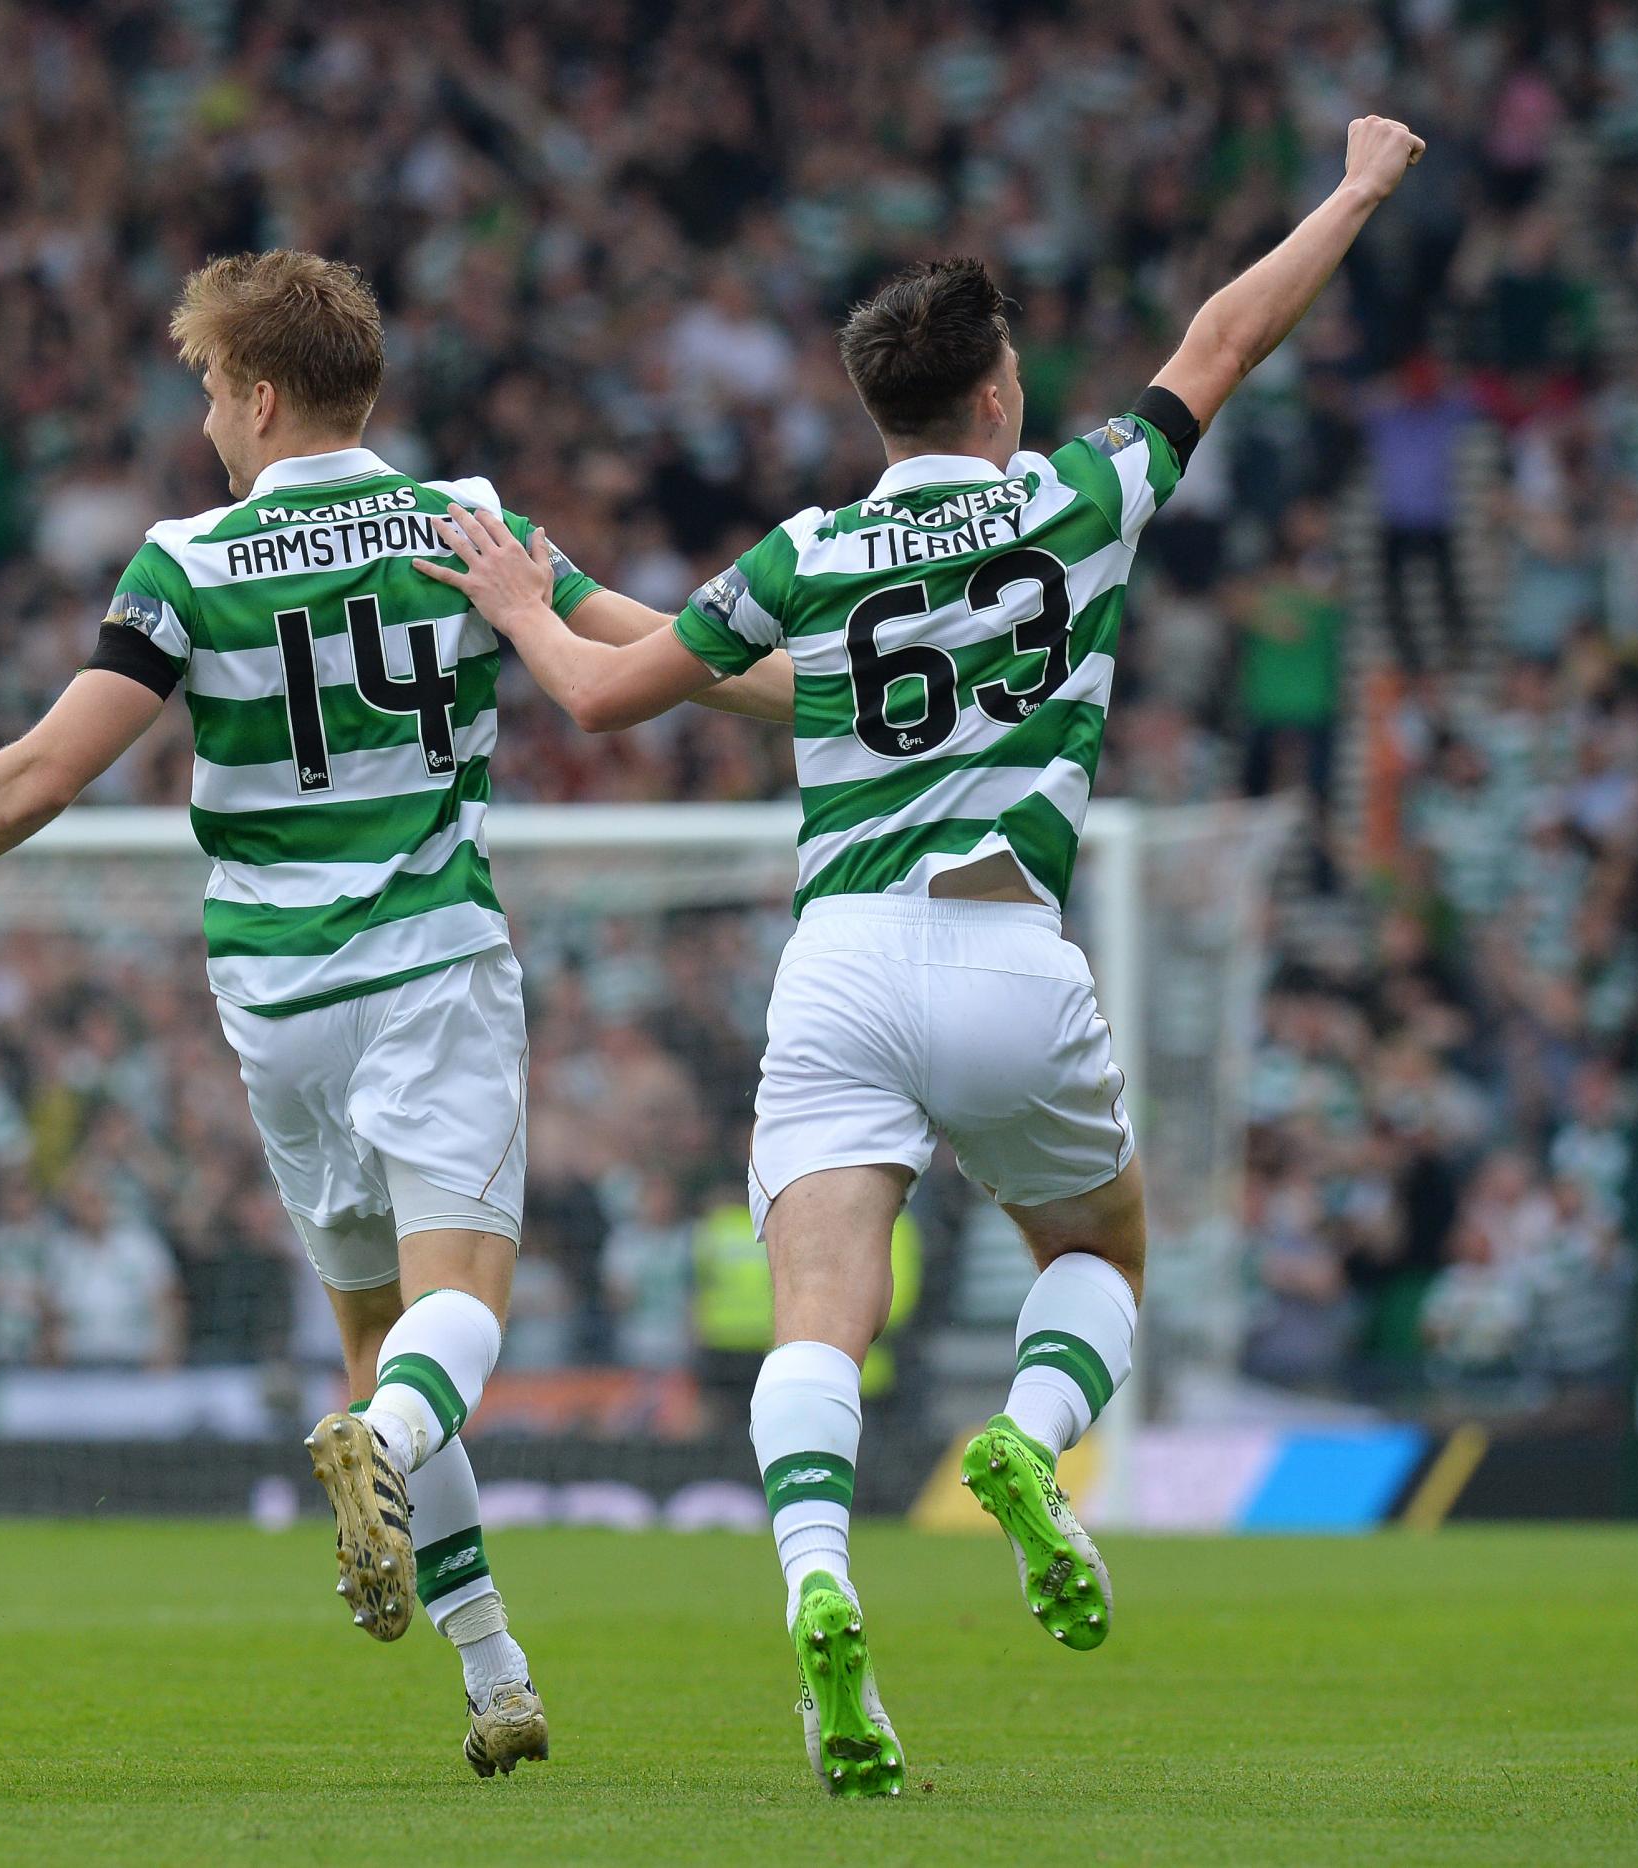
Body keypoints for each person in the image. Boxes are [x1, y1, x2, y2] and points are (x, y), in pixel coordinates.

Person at [419, 117, 1427, 1797]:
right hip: (1012, 947)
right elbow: (1225, 339)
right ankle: (1030, 1445)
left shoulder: (809, 554)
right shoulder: (1077, 494)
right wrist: (1360, 188)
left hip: (843, 968)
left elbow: (620, 686)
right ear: (993, 396)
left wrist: (532, 597)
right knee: (1099, 1250)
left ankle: (820, 1586)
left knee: (821, 1319)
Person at [0, 249, 792, 1777]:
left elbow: (43, 773)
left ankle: (496, 1677)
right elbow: (666, 649)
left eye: (212, 386)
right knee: (459, 1311)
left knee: (373, 1337)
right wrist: (848, 699)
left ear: (262, 392)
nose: (206, 415)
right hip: (427, 969)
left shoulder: (183, 564)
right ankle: (391, 1452)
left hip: (276, 1007)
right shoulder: (465, 525)